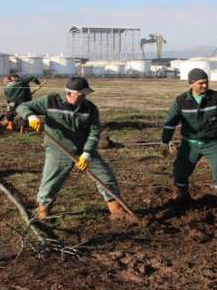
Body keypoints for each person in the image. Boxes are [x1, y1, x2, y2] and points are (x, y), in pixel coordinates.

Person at [17, 77, 134, 222]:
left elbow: (94, 132)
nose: (84, 97)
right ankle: (43, 211)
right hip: (58, 149)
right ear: (69, 93)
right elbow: (22, 107)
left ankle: (116, 210)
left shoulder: (90, 108)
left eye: (86, 94)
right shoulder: (50, 101)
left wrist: (86, 154)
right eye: (81, 94)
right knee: (51, 182)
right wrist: (31, 117)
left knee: (105, 176)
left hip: (83, 149)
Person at [160, 68, 217, 216]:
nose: (204, 86)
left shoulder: (216, 97)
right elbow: (170, 123)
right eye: (201, 83)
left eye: (206, 82)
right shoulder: (181, 101)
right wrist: (165, 141)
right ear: (191, 83)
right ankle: (182, 195)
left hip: (213, 143)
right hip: (190, 144)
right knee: (180, 171)